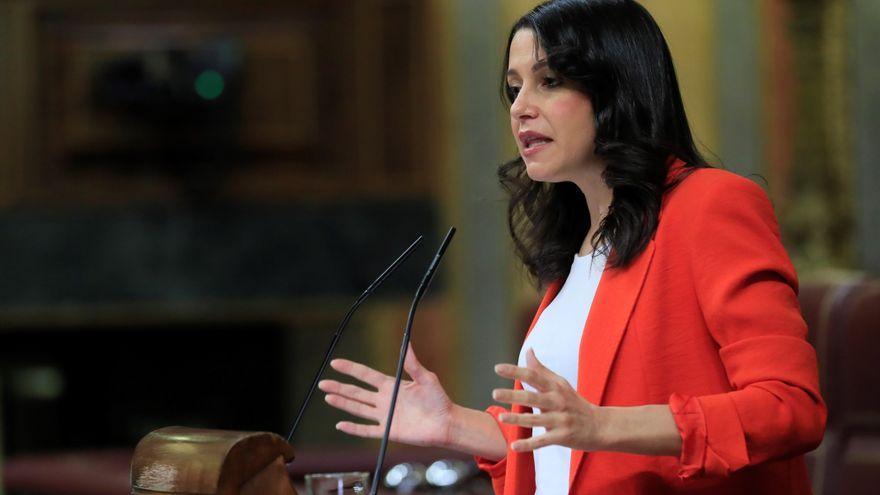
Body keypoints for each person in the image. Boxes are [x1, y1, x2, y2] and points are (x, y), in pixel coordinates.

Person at [317, 0, 826, 493]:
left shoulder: (710, 204)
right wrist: (453, 425)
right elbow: (569, 447)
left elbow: (790, 408)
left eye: (550, 81)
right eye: (514, 89)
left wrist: (603, 426)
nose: (520, 108)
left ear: (615, 87)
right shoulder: (580, 243)